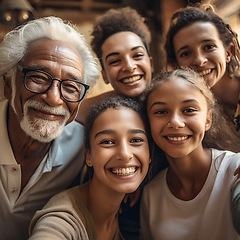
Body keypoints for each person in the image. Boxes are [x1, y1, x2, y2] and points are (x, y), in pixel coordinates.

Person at [0, 16, 99, 240]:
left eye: (71, 87)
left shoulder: (84, 147)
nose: (54, 99)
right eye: (38, 77)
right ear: (8, 85)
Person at [28, 95, 151, 240]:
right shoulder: (62, 220)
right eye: (107, 142)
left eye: (136, 140)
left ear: (150, 154)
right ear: (88, 156)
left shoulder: (126, 216)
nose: (125, 154)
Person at [141, 68, 240, 240]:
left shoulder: (234, 169)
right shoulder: (151, 195)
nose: (175, 122)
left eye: (189, 110)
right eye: (161, 112)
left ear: (208, 120)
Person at [164, 3, 240, 139]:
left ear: (229, 52)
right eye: (186, 53)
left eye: (209, 47)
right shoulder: (189, 116)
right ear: (176, 65)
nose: (199, 60)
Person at [76, 6, 153, 124]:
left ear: (151, 64)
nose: (129, 66)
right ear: (104, 76)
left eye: (137, 55)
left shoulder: (172, 98)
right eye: (115, 61)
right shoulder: (88, 115)